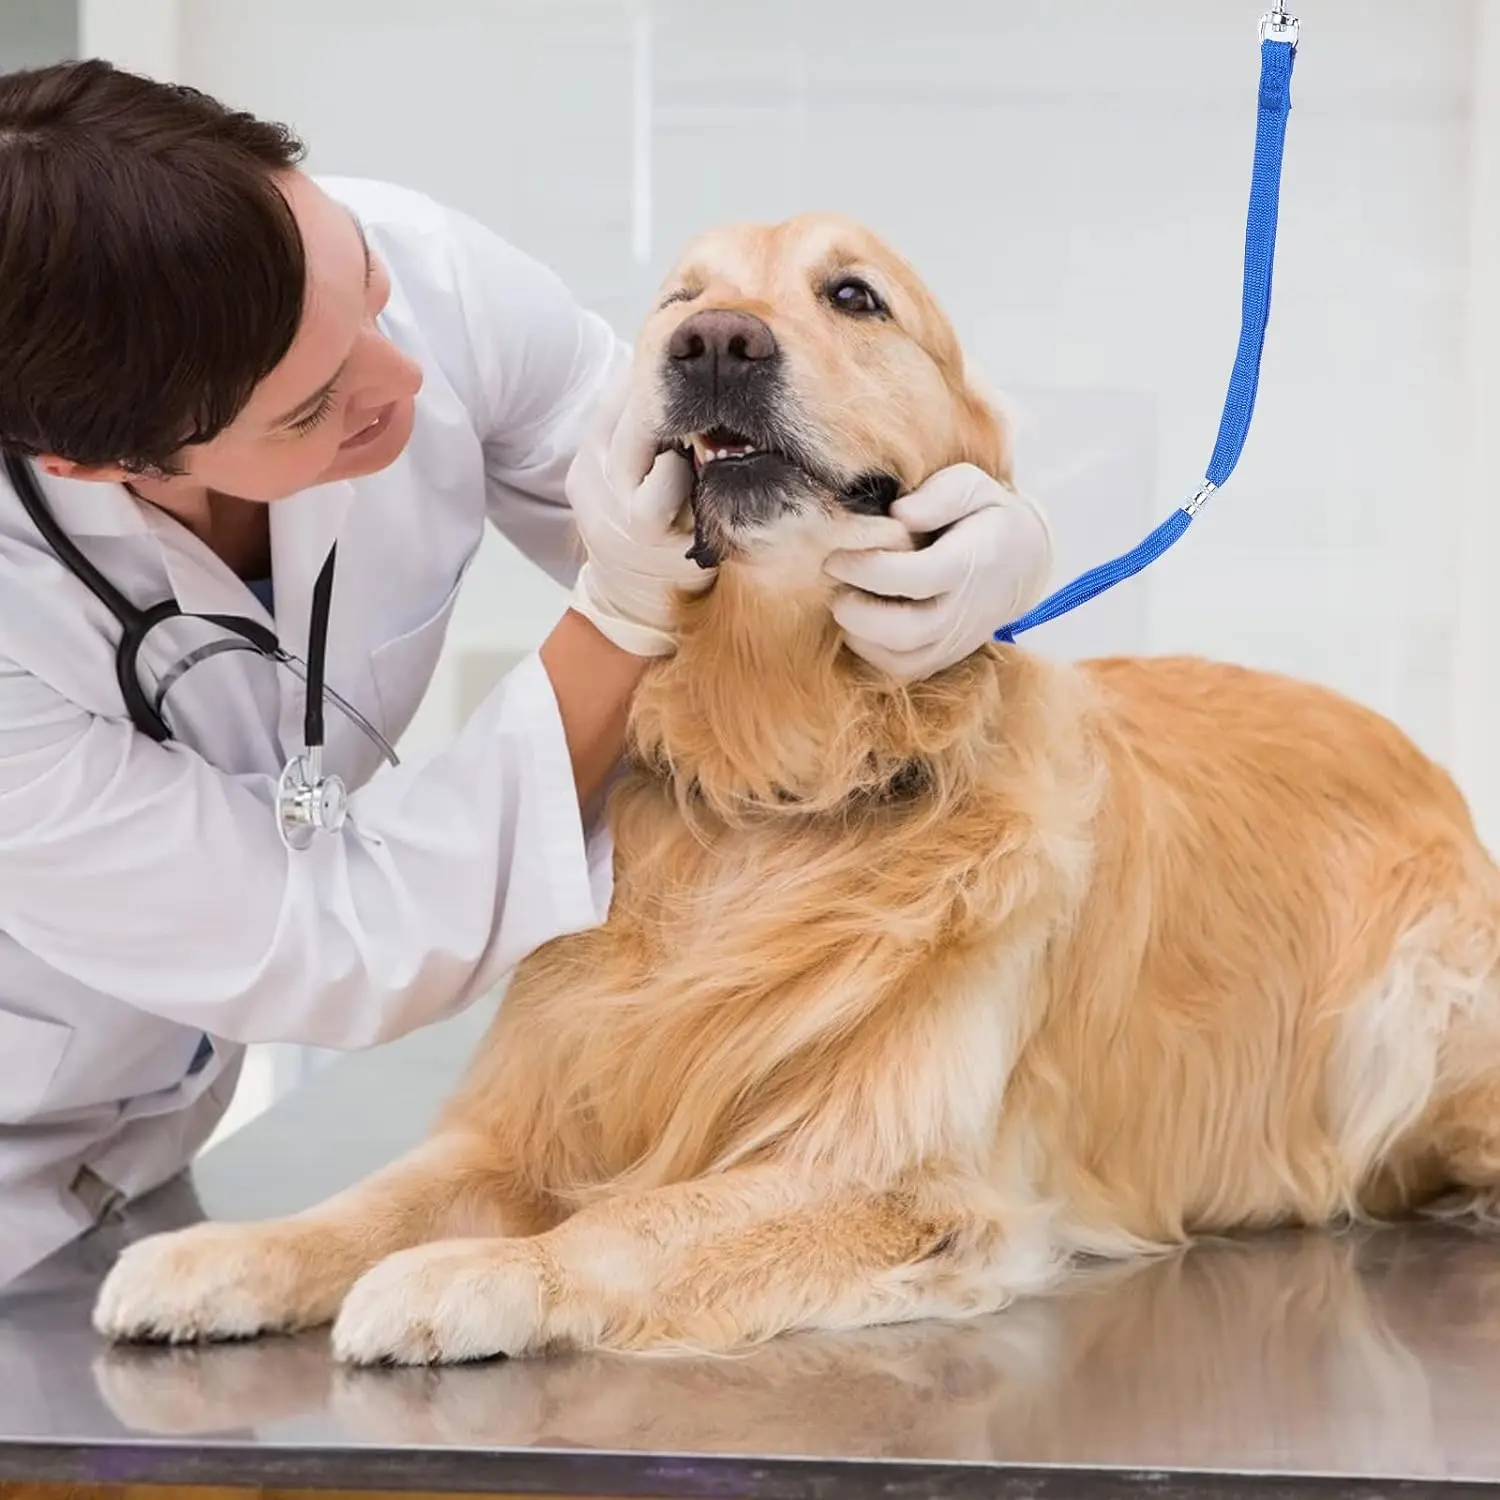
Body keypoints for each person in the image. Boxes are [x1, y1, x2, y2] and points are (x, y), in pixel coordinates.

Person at [0, 59, 1054, 1285]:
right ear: (96, 463)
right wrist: (609, 620)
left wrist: (993, 535)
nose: (401, 379)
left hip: (159, 1158)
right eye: (314, 409)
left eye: (366, 293)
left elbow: (692, 490)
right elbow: (332, 943)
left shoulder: (427, 277)